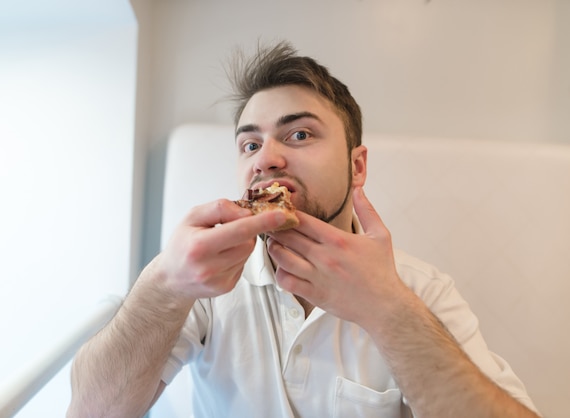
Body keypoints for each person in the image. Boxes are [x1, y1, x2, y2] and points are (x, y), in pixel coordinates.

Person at [67, 41, 540, 418]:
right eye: (249, 144)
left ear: (357, 167)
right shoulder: (203, 284)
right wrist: (163, 283)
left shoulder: (422, 291)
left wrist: (387, 309)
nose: (266, 159)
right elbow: (89, 412)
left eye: (299, 135)